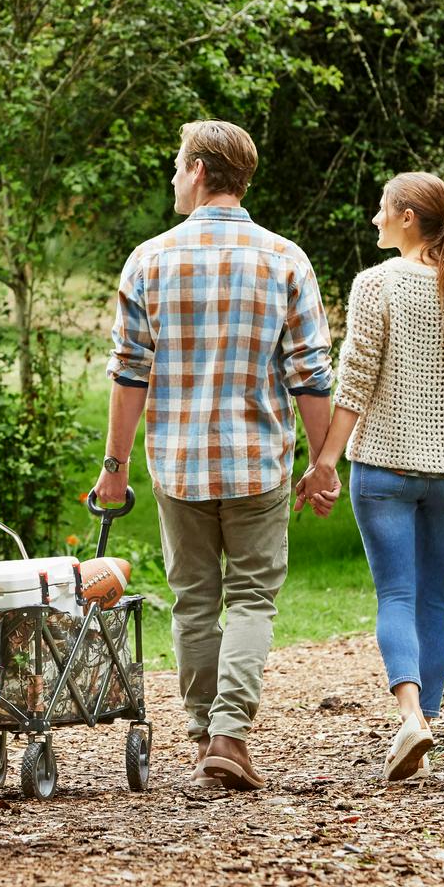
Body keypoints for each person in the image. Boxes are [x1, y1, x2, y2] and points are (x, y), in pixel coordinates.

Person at [93, 120, 334, 791]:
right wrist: (323, 461)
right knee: (253, 597)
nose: (172, 176)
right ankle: (231, 734)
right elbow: (311, 373)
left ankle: (204, 735)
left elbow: (128, 373)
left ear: (199, 171)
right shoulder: (286, 258)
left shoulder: (150, 259)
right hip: (259, 460)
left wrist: (114, 469)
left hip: (179, 462)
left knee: (194, 600)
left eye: (177, 164)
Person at [299, 171, 444, 782]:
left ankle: (411, 718)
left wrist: (326, 462)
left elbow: (356, 379)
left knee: (395, 595)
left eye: (383, 209)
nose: (375, 219)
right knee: (435, 601)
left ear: (409, 219)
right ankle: (426, 729)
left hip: (385, 469)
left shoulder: (377, 285)